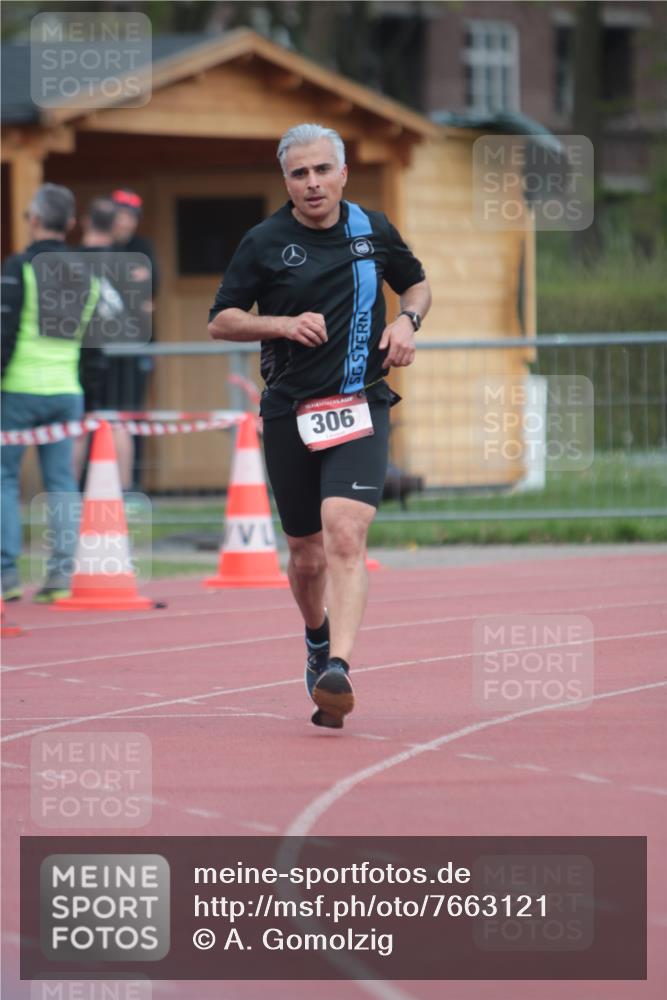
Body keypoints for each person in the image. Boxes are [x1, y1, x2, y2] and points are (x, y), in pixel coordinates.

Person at [208, 123, 431, 729]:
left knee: (345, 532)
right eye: (299, 173)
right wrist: (281, 324)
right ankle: (316, 637)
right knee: (306, 555)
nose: (312, 183)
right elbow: (221, 320)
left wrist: (407, 320)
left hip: (361, 401)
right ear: (286, 182)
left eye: (322, 170)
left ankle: (339, 668)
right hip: (290, 411)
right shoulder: (264, 241)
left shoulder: (372, 230)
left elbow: (416, 284)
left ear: (343, 174)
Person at [1, 184, 105, 602]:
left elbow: (4, 334)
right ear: (72, 223)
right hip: (67, 391)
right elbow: (95, 346)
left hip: (18, 389)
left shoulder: (19, 266)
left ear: (34, 220)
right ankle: (61, 574)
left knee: (4, 479)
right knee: (62, 481)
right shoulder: (87, 274)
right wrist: (89, 398)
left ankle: (6, 575)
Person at [109, 188, 159, 490]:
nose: (124, 221)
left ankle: (132, 485)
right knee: (100, 416)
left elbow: (150, 295)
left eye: (130, 216)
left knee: (132, 411)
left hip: (137, 345)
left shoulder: (144, 247)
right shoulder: (100, 247)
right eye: (119, 215)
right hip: (101, 347)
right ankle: (94, 484)